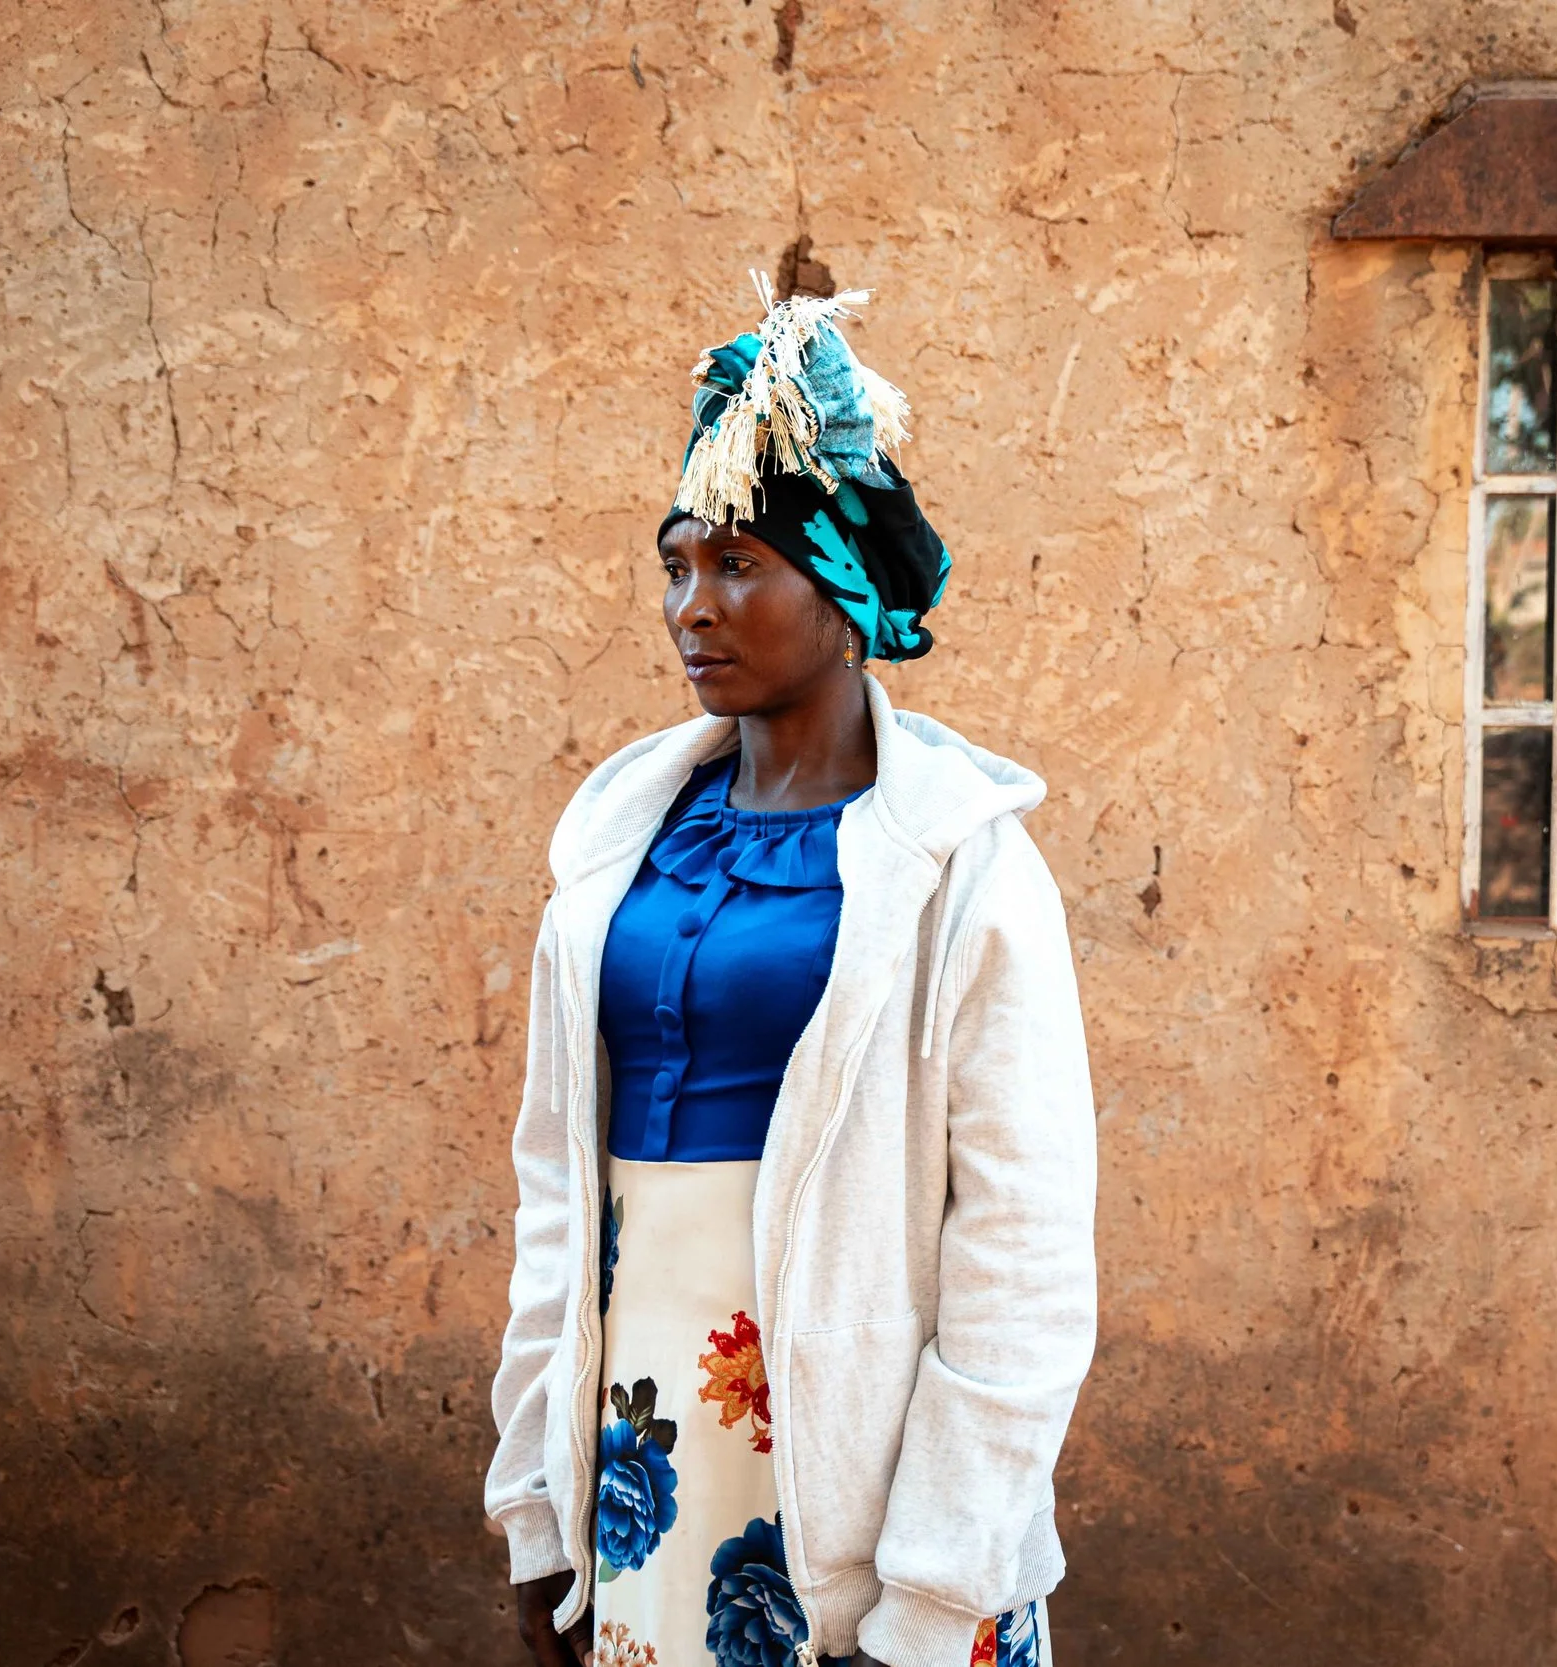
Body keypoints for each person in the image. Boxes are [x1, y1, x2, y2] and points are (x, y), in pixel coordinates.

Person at [484, 282, 1097, 1667]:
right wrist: (540, 1507)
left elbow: (1022, 1260)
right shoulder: (616, 853)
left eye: (742, 564)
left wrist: (934, 1595)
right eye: (676, 564)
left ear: (848, 587)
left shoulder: (959, 870)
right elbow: (556, 1198)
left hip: (866, 1498)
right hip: (649, 1459)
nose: (692, 607)